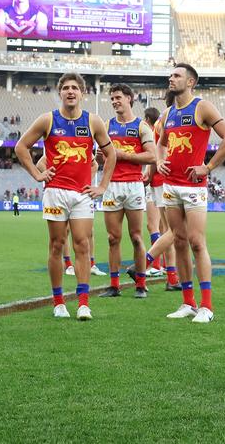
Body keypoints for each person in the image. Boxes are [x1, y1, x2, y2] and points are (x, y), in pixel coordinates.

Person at [15, 72, 116, 320]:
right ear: (60, 92)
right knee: (57, 245)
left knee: (82, 244)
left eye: (75, 88)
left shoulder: (93, 121)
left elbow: (111, 154)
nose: (70, 92)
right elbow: (20, 147)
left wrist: (102, 186)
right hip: (55, 193)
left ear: (82, 93)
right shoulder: (47, 120)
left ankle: (83, 303)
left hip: (82, 194)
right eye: (66, 88)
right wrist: (37, 175)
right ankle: (58, 302)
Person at [156, 63, 225, 322]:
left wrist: (208, 166)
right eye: (171, 75)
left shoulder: (202, 107)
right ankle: (187, 302)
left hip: (193, 187)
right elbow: (160, 143)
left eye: (177, 75)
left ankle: (207, 306)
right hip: (171, 186)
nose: (172, 78)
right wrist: (159, 161)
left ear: (190, 82)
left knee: (196, 242)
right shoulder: (168, 112)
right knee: (178, 241)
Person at [97, 84, 155, 299]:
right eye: (112, 99)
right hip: (111, 185)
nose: (114, 102)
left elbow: (151, 156)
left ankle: (141, 284)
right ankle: (114, 285)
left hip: (133, 185)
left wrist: (121, 155)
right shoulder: (106, 126)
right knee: (113, 237)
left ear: (130, 99)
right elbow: (99, 156)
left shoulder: (142, 127)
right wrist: (101, 157)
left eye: (118, 97)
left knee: (137, 237)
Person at [140, 106, 181, 289]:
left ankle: (162, 270)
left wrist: (149, 172)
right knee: (171, 230)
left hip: (159, 179)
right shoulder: (167, 120)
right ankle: (154, 267)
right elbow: (158, 152)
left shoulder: (159, 123)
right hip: (163, 179)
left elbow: (156, 153)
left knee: (166, 229)